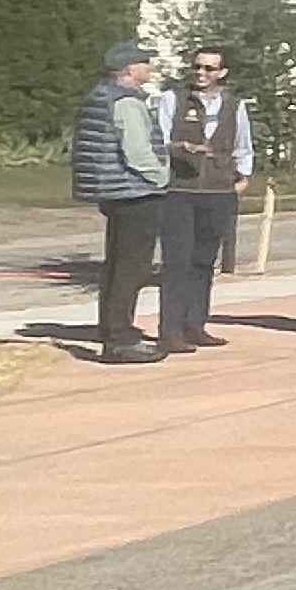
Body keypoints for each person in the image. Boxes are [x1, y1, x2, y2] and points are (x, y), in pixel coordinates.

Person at [69, 41, 170, 363]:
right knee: (133, 266)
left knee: (115, 263)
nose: (148, 68)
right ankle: (120, 339)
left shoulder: (100, 96)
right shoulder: (126, 102)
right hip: (133, 191)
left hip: (111, 190)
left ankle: (111, 327)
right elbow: (137, 152)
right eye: (144, 63)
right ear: (130, 69)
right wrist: (162, 177)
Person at [153, 45, 251, 354]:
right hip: (180, 190)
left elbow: (242, 144)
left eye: (209, 68)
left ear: (222, 73)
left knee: (204, 260)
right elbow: (159, 140)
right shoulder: (173, 99)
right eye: (197, 66)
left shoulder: (235, 105)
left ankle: (195, 324)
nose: (201, 73)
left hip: (218, 190)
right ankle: (170, 330)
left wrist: (243, 176)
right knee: (176, 261)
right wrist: (179, 150)